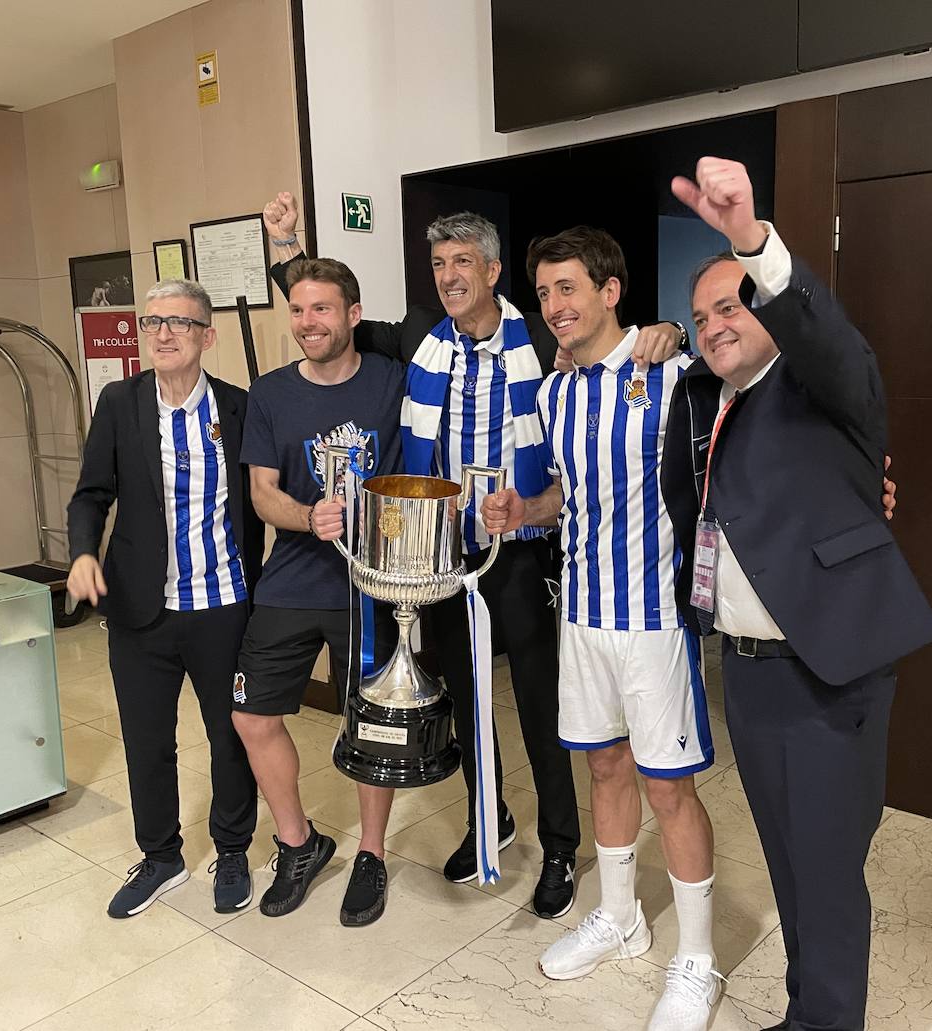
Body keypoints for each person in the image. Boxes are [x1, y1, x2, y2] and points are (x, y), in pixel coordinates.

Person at [263, 191, 681, 916]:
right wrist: (287, 249)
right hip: (446, 556)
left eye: (463, 261)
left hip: (518, 552)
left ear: (491, 270)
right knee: (466, 700)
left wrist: (669, 329)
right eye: (438, 263)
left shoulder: (545, 343)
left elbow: (628, 351)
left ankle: (558, 844)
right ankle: (490, 819)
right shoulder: (421, 336)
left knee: (543, 709)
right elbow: (327, 313)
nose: (449, 275)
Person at [661, 157, 932, 1031]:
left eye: (731, 305)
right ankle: (805, 1012)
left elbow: (828, 338)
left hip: (827, 672)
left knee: (825, 873)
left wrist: (751, 240)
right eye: (700, 315)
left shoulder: (826, 384)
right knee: (787, 863)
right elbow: (691, 507)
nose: (714, 325)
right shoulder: (709, 402)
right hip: (746, 674)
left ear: (766, 307)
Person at [482, 226, 722, 1031]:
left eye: (569, 289)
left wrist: (678, 329)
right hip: (580, 616)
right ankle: (620, 916)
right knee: (606, 770)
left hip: (655, 618)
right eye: (544, 292)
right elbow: (565, 495)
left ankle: (697, 960)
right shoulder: (552, 393)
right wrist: (525, 509)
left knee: (669, 787)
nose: (554, 306)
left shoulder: (672, 371)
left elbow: (742, 370)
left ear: (610, 291)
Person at [66, 279, 263, 919]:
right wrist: (83, 553)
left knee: (228, 734)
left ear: (208, 336)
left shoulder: (238, 408)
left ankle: (232, 850)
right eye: (152, 323)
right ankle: (161, 856)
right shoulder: (120, 403)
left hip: (223, 603)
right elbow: (90, 494)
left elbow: (260, 501)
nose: (164, 334)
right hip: (140, 608)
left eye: (179, 323)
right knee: (147, 738)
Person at [232, 257, 405, 927]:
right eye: (299, 310)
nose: (308, 322)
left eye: (323, 309)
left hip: (370, 584)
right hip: (292, 580)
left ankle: (370, 852)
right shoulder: (271, 393)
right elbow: (262, 491)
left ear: (353, 315)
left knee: (373, 724)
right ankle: (299, 842)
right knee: (252, 716)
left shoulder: (393, 381)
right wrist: (308, 516)